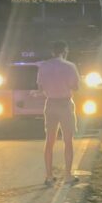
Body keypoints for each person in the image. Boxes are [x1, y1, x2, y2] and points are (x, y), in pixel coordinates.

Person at [36, 40, 80, 186]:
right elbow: (76, 87)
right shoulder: (70, 66)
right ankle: (68, 175)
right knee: (68, 141)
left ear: (52, 51)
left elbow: (40, 88)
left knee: (49, 141)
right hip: (65, 104)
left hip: (50, 104)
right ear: (65, 51)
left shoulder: (43, 66)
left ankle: (49, 176)